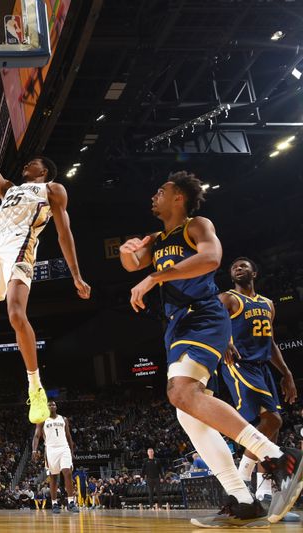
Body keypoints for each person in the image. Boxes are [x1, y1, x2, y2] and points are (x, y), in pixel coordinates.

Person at [119, 171, 303, 527]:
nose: (154, 195)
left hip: (203, 315)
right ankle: (240, 496)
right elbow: (133, 263)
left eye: (162, 190)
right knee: (186, 410)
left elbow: (211, 259)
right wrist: (129, 253)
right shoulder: (157, 238)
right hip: (177, 325)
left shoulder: (197, 225)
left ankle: (278, 456)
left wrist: (155, 276)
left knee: (181, 391)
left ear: (179, 197)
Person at [0, 101, 90, 425]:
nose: (27, 164)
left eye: (33, 162)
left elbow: (65, 233)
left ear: (45, 170)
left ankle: (35, 388)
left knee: (15, 313)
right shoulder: (8, 189)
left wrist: (75, 275)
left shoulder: (52, 189)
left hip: (22, 247)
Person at [220, 257, 299, 518]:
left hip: (263, 367)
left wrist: (286, 373)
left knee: (270, 433)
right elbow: (213, 323)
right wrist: (224, 342)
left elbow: (271, 342)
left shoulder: (267, 304)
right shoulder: (228, 298)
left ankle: (264, 499)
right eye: (234, 267)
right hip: (240, 363)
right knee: (273, 420)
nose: (238, 268)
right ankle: (241, 480)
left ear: (254, 272)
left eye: (243, 266)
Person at [32, 401, 79, 514]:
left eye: (53, 405)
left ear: (56, 407)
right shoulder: (42, 420)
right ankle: (54, 504)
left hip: (64, 448)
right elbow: (37, 436)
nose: (52, 406)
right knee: (53, 477)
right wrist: (34, 450)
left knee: (67, 472)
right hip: (51, 450)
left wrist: (72, 451)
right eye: (49, 405)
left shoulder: (64, 419)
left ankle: (71, 502)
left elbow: (68, 436)